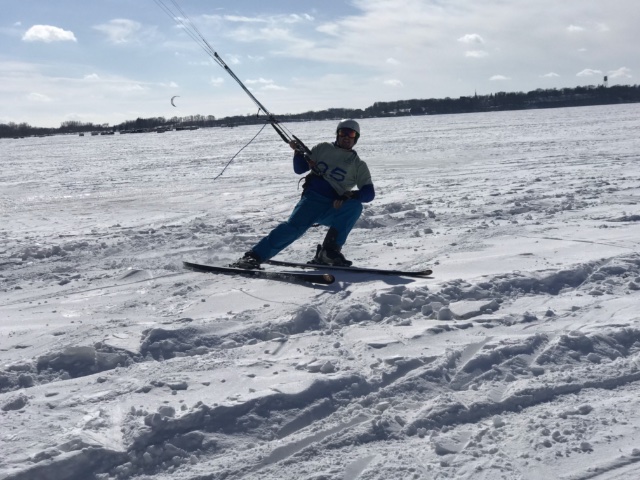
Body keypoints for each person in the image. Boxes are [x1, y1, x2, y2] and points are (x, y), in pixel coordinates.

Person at [233, 119, 375, 269]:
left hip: (333, 207)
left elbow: (369, 193)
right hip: (312, 201)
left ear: (356, 138)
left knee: (355, 206)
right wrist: (298, 153)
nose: (347, 137)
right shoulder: (323, 148)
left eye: (351, 134)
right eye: (343, 132)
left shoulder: (358, 165)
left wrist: (350, 195)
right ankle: (253, 256)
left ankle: (328, 253)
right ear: (337, 134)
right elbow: (300, 169)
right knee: (293, 229)